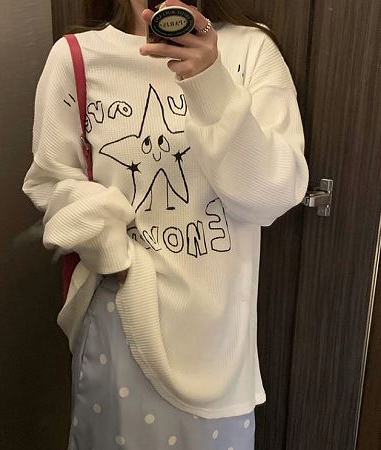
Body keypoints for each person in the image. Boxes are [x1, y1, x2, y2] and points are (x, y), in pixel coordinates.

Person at [21, 0, 309, 448]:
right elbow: (51, 182)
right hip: (119, 319)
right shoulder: (76, 56)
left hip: (218, 343)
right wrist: (117, 257)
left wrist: (210, 82)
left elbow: (272, 197)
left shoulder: (251, 50)